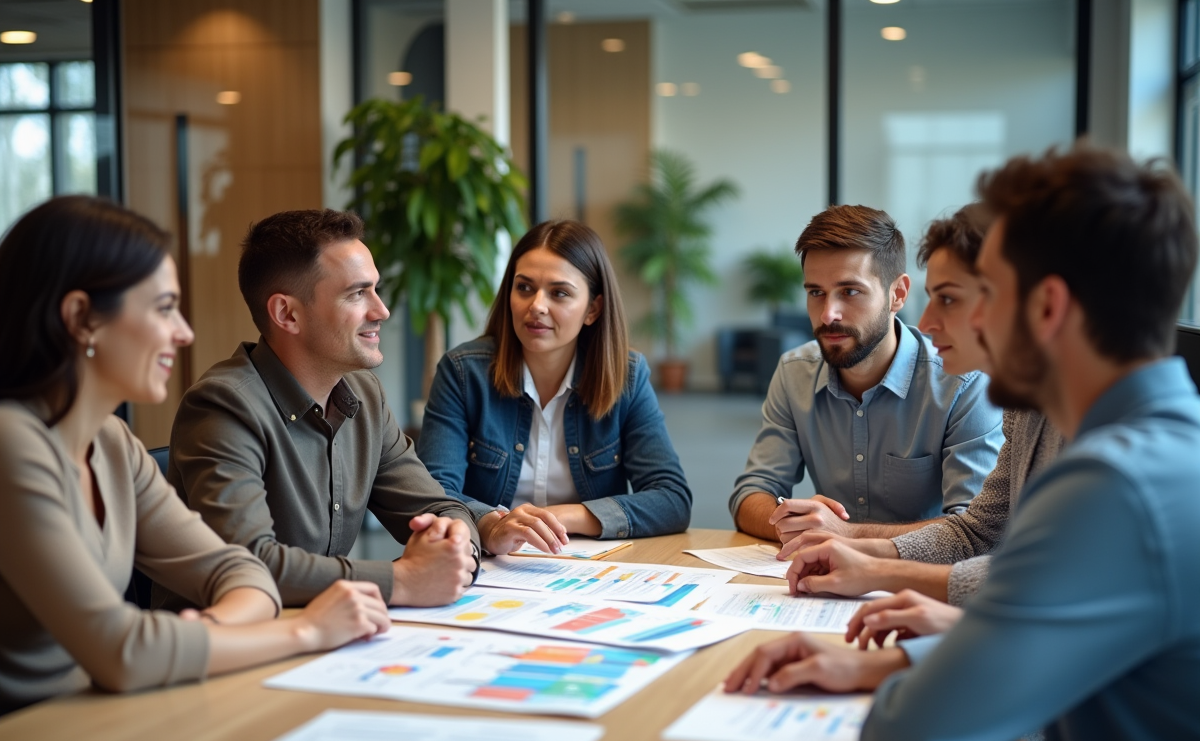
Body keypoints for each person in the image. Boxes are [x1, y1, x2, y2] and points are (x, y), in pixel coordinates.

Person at [725, 145, 1200, 741]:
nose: (945, 324)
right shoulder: (1151, 450)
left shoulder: (1112, 489)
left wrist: (907, 657)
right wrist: (900, 655)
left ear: (1047, 308)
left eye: (983, 296)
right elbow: (1045, 611)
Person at [0, 197, 390, 716]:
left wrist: (199, 633)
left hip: (95, 717)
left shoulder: (112, 444)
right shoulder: (12, 444)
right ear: (81, 318)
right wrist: (309, 629)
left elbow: (243, 574)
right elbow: (122, 652)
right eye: (163, 309)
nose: (183, 333)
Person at [155, 209, 478, 611]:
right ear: (287, 314)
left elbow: (438, 508)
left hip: (325, 632)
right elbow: (252, 565)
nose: (381, 311)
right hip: (223, 654)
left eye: (375, 289)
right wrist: (402, 581)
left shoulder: (365, 394)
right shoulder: (223, 405)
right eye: (357, 294)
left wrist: (457, 542)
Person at [779, 205, 1065, 607]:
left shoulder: (1114, 435)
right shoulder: (1028, 408)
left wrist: (874, 565)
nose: (926, 322)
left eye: (947, 299)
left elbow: (1053, 579)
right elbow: (978, 534)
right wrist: (868, 564)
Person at [729, 204, 1002, 542]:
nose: (828, 314)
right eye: (816, 292)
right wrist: (794, 524)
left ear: (897, 294)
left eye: (850, 291)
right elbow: (751, 494)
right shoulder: (794, 372)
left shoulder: (962, 383)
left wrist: (845, 535)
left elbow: (975, 529)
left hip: (921, 582)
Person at [417, 220, 691, 552]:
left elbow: (672, 498)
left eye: (559, 293)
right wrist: (493, 525)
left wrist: (558, 517)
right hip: (491, 562)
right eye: (525, 288)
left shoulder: (626, 377)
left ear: (593, 309)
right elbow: (434, 494)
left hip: (588, 568)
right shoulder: (463, 373)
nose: (537, 306)